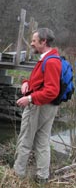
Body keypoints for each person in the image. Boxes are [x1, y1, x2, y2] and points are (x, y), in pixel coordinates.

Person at [13, 28, 61, 183]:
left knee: (25, 140)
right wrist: (26, 83)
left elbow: (52, 91)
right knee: (42, 141)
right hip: (47, 106)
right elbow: (39, 81)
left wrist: (30, 99)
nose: (32, 43)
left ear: (43, 41)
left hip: (40, 106)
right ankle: (42, 177)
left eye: (34, 40)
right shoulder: (47, 59)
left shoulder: (51, 62)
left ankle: (17, 175)